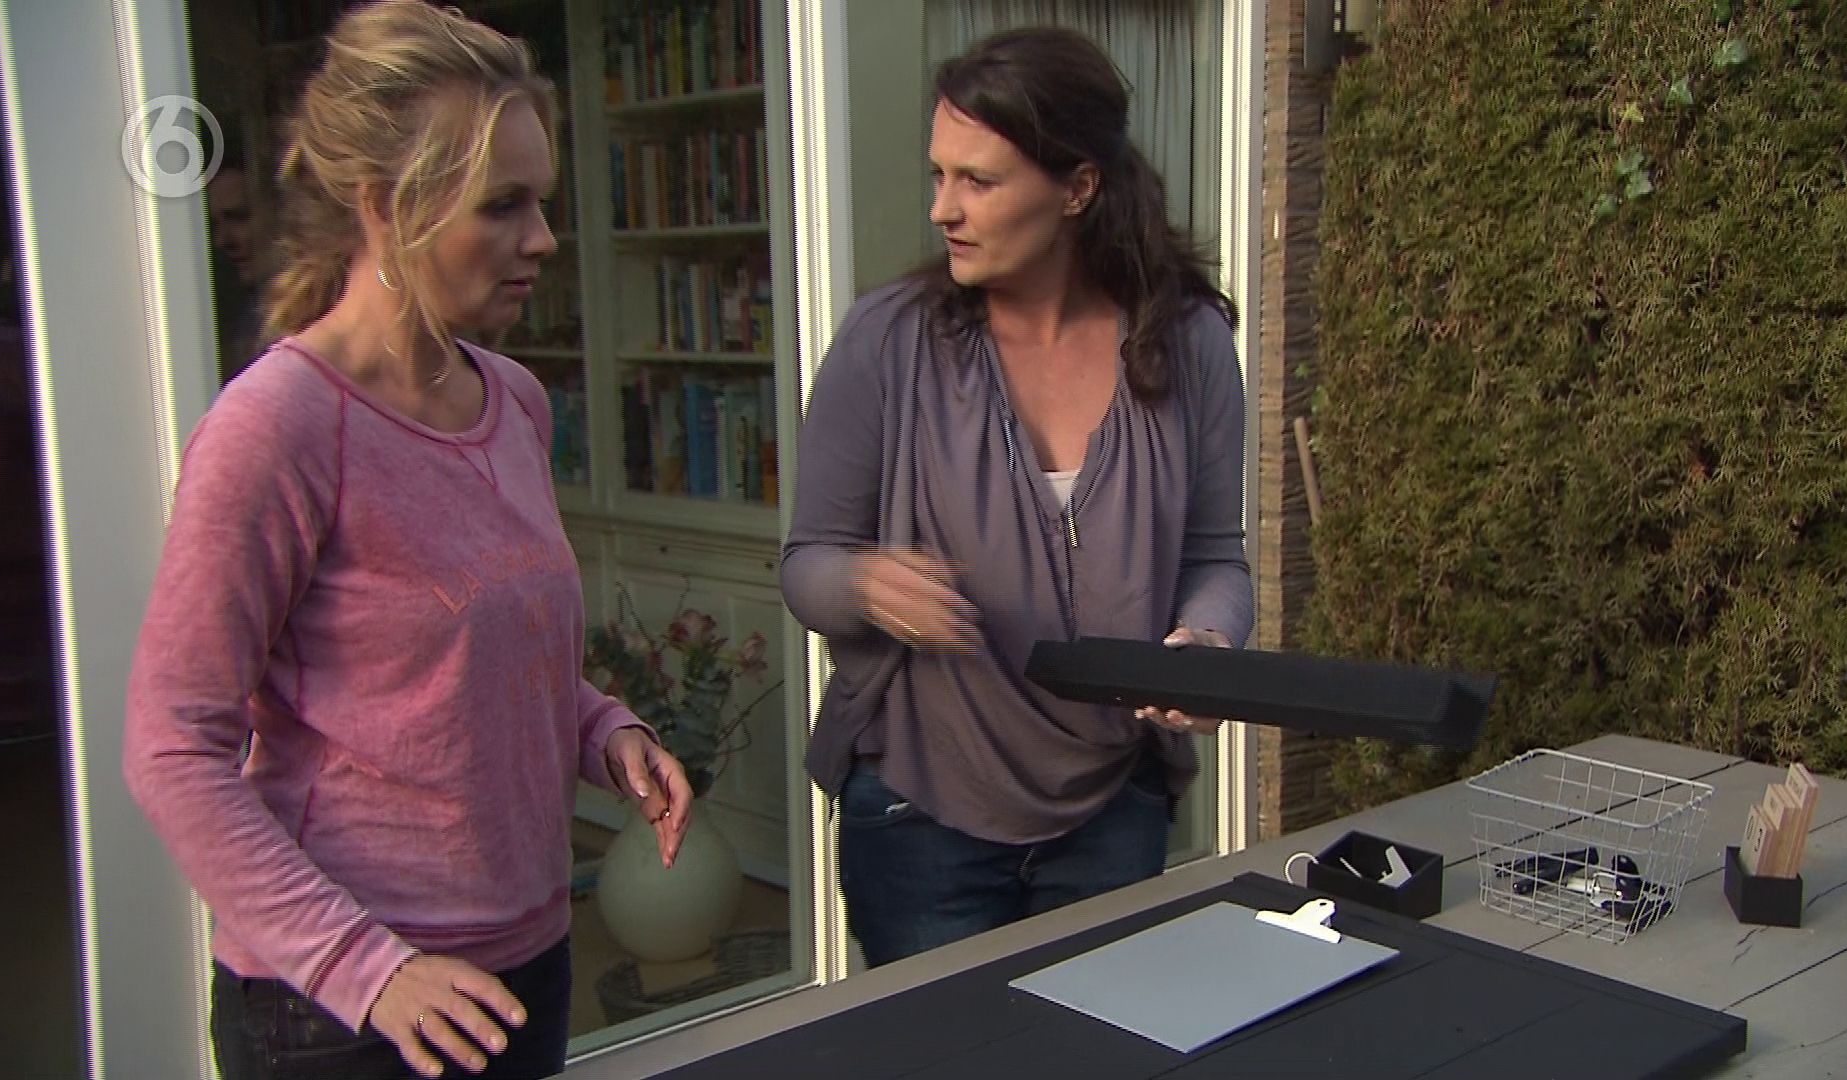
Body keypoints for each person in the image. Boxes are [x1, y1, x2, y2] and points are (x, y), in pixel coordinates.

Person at [122, 4, 693, 1078]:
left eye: (542, 202)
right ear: (385, 207)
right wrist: (366, 969)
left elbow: (470, 660)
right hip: (345, 1014)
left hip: (527, 964)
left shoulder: (514, 401)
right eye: (503, 205)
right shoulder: (279, 427)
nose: (543, 238)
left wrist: (603, 729)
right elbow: (170, 747)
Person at [779, 25, 1254, 968]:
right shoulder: (887, 342)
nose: (943, 209)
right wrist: (868, 585)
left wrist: (1206, 648)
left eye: (979, 181)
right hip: (920, 819)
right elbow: (805, 566)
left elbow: (1215, 559)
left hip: (1115, 807)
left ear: (1077, 188)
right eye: (938, 175)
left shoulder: (1190, 342)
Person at [206, 152, 273, 383]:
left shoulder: (329, 309)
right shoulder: (247, 321)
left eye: (238, 217)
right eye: (214, 226)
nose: (223, 240)